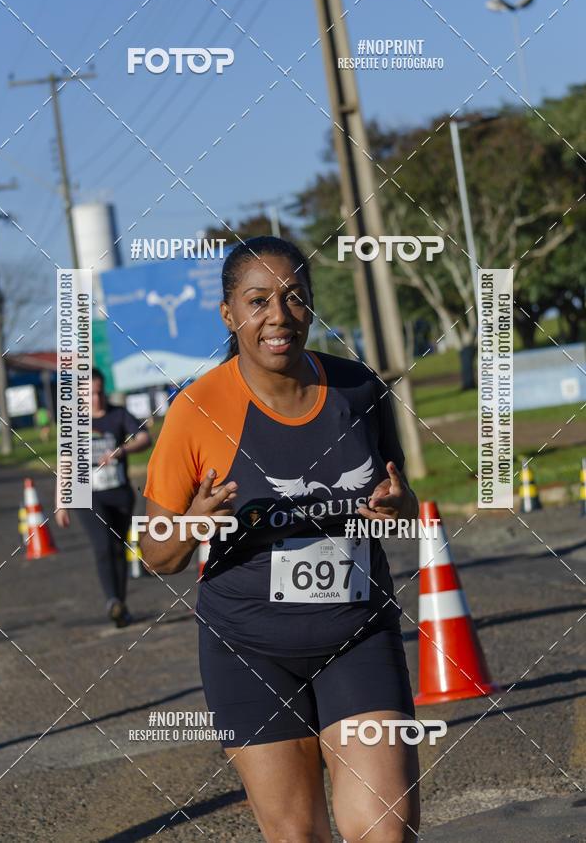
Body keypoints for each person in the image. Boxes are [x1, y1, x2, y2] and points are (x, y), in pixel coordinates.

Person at [141, 237, 420, 842]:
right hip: (248, 648)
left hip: (358, 634)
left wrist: (402, 510)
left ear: (311, 306)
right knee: (299, 837)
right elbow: (155, 553)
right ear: (228, 313)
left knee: (387, 830)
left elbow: (405, 506)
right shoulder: (195, 408)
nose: (278, 316)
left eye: (294, 298)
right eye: (258, 300)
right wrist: (192, 522)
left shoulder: (359, 388)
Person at [55, 368, 152, 627]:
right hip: (85, 494)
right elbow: (65, 462)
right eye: (89, 394)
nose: (95, 399)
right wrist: (61, 503)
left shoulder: (118, 415)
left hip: (119, 493)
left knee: (119, 549)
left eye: (99, 393)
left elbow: (145, 437)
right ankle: (111, 599)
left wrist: (122, 450)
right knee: (103, 545)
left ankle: (120, 605)